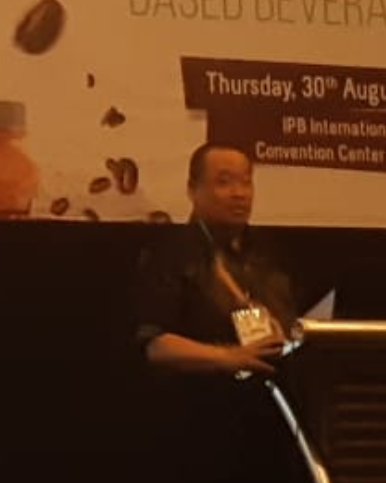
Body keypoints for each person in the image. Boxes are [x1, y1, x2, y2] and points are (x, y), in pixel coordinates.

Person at [132, 141, 315, 483]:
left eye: (246, 181)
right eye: (224, 182)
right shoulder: (170, 255)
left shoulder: (268, 254)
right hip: (198, 427)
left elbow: (292, 322)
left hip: (268, 424)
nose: (239, 193)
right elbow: (156, 346)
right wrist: (229, 357)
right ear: (193, 190)